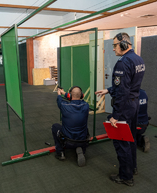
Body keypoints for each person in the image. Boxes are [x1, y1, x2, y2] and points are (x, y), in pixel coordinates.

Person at [95, 32, 145, 186]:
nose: (113, 49)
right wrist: (109, 90)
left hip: (124, 107)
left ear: (123, 44)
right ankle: (132, 168)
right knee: (130, 139)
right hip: (133, 104)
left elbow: (123, 91)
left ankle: (125, 177)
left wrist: (115, 115)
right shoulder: (138, 59)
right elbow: (127, 85)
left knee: (121, 141)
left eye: (115, 45)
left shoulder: (122, 63)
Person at [51, 86, 89, 167]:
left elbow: (59, 99)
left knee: (55, 126)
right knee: (85, 128)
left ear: (70, 96)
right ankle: (82, 149)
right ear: (82, 95)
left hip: (68, 141)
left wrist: (59, 94)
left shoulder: (64, 105)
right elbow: (74, 97)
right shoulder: (86, 105)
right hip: (82, 140)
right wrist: (64, 92)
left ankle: (60, 152)